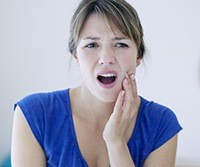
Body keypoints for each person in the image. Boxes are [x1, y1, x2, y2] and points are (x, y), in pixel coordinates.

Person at [11, 0, 182, 166]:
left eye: (121, 44)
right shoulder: (34, 114)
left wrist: (116, 142)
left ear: (138, 56)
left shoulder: (161, 124)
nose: (106, 59)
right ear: (76, 56)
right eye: (92, 45)